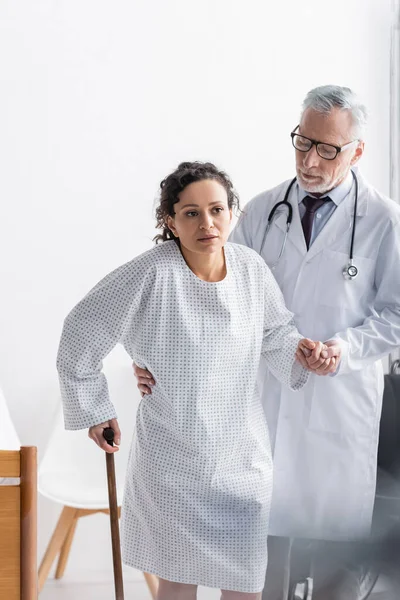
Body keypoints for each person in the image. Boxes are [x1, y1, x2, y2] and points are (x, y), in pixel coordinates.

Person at [133, 87, 400, 599]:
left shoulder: (385, 221)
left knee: (334, 568)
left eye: (328, 149)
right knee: (258, 557)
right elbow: (207, 295)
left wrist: (344, 349)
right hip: (261, 401)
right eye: (303, 142)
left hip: (338, 403)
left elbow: (395, 313)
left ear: (357, 152)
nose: (309, 159)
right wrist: (152, 357)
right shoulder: (259, 211)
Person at [57, 161, 334, 600]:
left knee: (245, 586)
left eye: (216, 210)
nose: (207, 223)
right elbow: (82, 329)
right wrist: (96, 410)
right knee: (178, 585)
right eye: (190, 213)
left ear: (232, 214)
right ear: (170, 221)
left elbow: (276, 332)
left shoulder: (250, 268)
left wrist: (303, 353)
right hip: (174, 461)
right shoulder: (151, 272)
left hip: (241, 459)